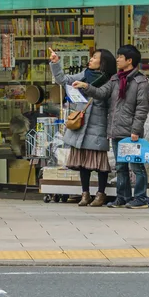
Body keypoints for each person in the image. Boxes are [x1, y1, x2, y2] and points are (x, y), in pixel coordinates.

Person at [73, 44, 149, 209]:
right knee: (121, 167)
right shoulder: (115, 79)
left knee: (136, 166)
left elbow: (142, 109)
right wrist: (85, 86)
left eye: (120, 57)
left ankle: (141, 198)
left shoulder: (140, 81)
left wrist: (136, 130)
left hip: (131, 132)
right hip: (116, 130)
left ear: (129, 60)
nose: (117, 60)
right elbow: (101, 93)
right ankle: (122, 197)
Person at [50, 47, 116, 207]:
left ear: (103, 63)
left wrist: (86, 86)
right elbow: (62, 79)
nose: (91, 60)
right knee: (83, 162)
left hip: (99, 123)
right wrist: (55, 63)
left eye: (95, 58)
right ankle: (85, 194)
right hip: (81, 121)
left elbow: (107, 99)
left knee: (99, 162)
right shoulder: (85, 73)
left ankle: (101, 194)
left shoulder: (110, 80)